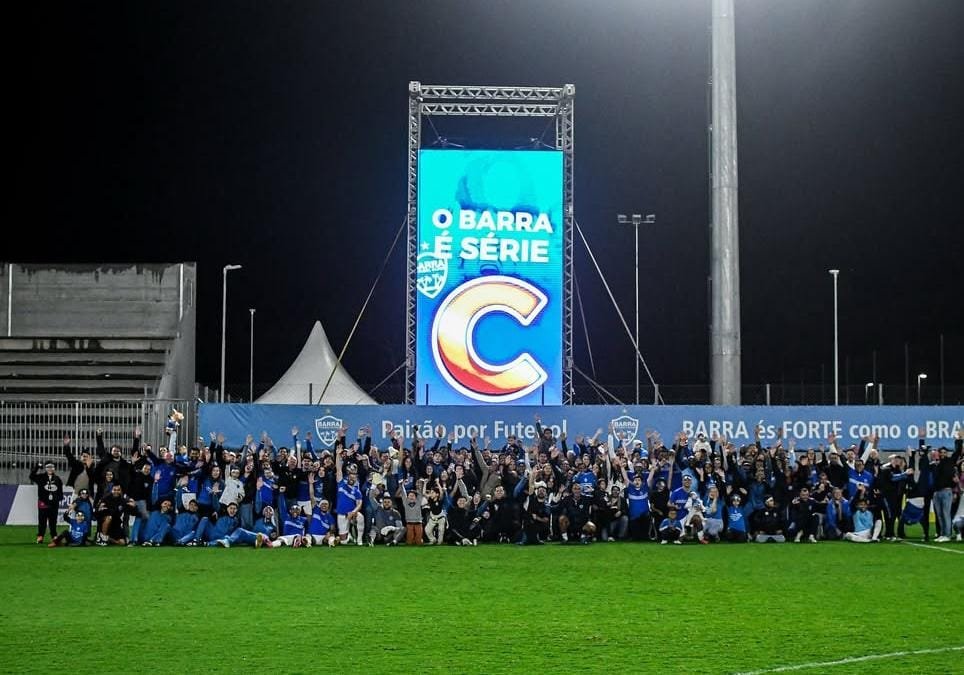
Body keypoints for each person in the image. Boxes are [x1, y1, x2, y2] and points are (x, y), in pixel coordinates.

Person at [30, 462, 63, 544]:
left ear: (54, 468)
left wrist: (58, 499)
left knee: (53, 521)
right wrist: (37, 467)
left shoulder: (57, 479)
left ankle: (54, 536)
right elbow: (31, 476)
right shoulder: (41, 477)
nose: (50, 469)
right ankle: (40, 536)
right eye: (48, 467)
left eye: (52, 467)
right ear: (45, 468)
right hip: (43, 502)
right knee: (42, 521)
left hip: (54, 504)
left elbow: (60, 492)